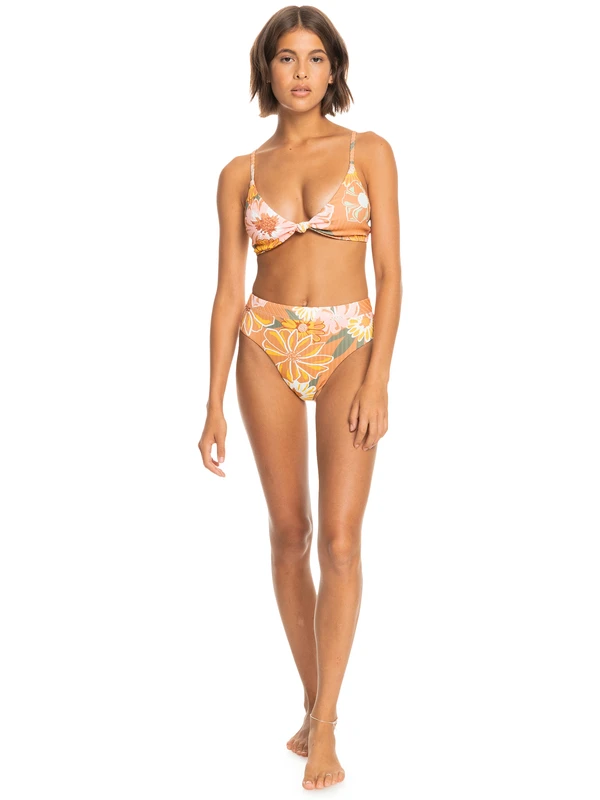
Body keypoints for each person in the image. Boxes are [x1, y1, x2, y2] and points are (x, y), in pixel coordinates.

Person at [198, 4, 402, 791]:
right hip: (266, 341)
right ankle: (314, 703)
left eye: (316, 58)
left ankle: (327, 725)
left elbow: (392, 276)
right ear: (267, 69)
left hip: (350, 342)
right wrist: (212, 402)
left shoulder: (369, 151)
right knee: (290, 533)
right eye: (286, 57)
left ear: (334, 68)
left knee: (341, 541)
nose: (301, 72)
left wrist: (379, 376)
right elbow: (228, 292)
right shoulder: (239, 173)